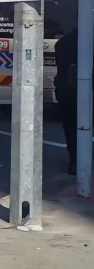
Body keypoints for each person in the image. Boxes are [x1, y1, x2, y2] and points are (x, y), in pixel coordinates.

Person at [54, 27, 79, 175]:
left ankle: (74, 162)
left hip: (66, 91)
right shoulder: (86, 41)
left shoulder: (63, 42)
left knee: (70, 128)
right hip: (85, 91)